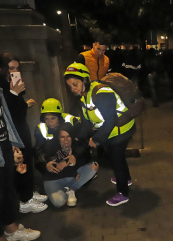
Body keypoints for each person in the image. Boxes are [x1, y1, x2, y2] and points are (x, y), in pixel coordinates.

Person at [64, 63, 135, 206]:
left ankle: (123, 193)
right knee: (117, 157)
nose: (73, 88)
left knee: (116, 159)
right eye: (70, 86)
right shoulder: (84, 97)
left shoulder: (101, 93)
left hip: (121, 130)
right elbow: (87, 123)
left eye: (75, 84)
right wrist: (77, 139)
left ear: (85, 80)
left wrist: (96, 140)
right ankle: (126, 179)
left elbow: (111, 120)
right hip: (111, 131)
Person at [0, 53, 48, 214]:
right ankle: (24, 200)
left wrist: (22, 101)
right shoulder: (3, 87)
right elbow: (7, 114)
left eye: (17, 68)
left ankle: (28, 193)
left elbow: (17, 112)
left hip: (21, 129)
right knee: (19, 163)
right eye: (10, 68)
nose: (14, 71)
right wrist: (14, 94)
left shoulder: (11, 84)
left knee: (27, 158)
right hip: (12, 134)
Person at [0, 84, 40, 241]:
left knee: (5, 193)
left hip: (4, 147)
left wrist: (11, 144)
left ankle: (11, 230)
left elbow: (4, 120)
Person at [35, 123, 98, 207]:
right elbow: (42, 164)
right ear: (58, 137)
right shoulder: (51, 145)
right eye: (62, 137)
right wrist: (45, 164)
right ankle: (68, 188)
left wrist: (71, 160)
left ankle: (72, 190)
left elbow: (84, 159)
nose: (66, 140)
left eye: (68, 136)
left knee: (94, 166)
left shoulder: (77, 145)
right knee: (60, 203)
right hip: (54, 179)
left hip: (71, 176)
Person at [34, 98, 80, 173]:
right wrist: (46, 163)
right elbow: (38, 150)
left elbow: (82, 142)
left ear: (59, 117)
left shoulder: (72, 121)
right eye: (46, 119)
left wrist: (74, 155)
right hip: (55, 157)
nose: (50, 122)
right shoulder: (40, 129)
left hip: (73, 153)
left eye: (53, 118)